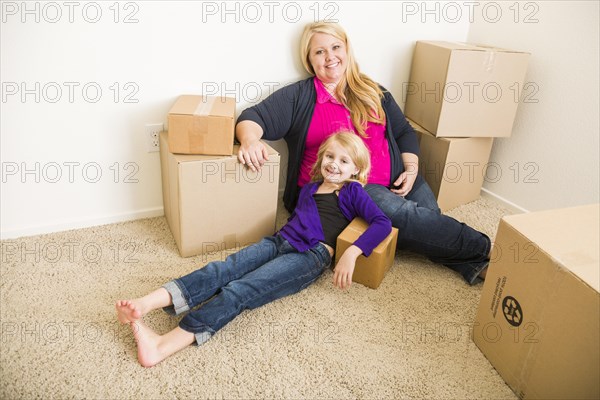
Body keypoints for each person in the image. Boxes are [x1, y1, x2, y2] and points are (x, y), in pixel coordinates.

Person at [235, 21, 491, 285]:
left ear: (347, 49)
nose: (330, 57)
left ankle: (473, 265)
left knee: (429, 223)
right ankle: (490, 249)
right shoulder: (299, 96)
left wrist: (411, 170)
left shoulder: (373, 91)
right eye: (319, 52)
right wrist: (250, 140)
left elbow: (403, 131)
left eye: (336, 47)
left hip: (398, 176)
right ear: (309, 60)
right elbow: (252, 117)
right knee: (411, 219)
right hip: (350, 188)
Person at [116, 132, 391, 367]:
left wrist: (352, 252)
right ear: (321, 159)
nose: (334, 165)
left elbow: (382, 223)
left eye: (344, 161)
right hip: (277, 242)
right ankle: (146, 303)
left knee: (241, 289)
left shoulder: (352, 192)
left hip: (309, 255)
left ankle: (163, 345)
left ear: (355, 169)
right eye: (330, 157)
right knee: (223, 269)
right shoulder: (309, 189)